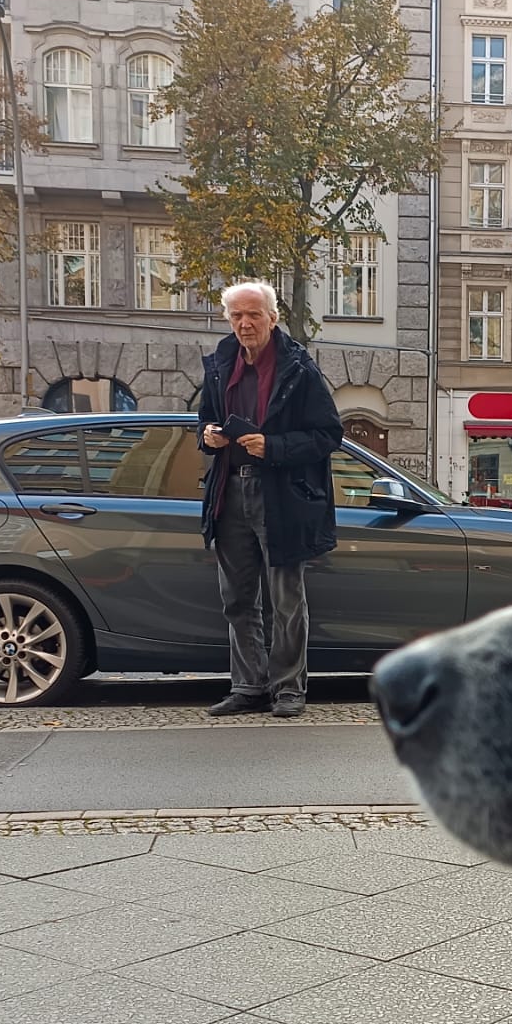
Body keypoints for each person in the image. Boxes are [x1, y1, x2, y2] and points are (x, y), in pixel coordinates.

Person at [198, 280, 344, 718]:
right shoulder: (220, 365)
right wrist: (207, 437)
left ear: (272, 318)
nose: (245, 323)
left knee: (286, 599)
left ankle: (288, 689)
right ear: (229, 320)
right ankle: (248, 687)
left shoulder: (299, 368)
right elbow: (205, 420)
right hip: (230, 491)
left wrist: (274, 447)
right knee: (237, 599)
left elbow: (328, 434)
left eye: (254, 315)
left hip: (281, 495)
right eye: (237, 316)